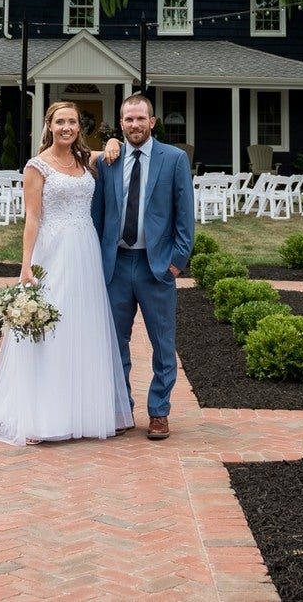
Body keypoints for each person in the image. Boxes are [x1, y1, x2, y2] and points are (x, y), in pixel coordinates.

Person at [0, 102, 133, 445]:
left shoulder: (84, 160)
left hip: (85, 251)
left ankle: (82, 413)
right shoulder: (37, 166)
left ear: (79, 127)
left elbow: (109, 152)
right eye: (60, 121)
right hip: (53, 251)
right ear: (49, 125)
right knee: (50, 329)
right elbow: (32, 217)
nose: (66, 127)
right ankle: (41, 417)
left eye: (72, 122)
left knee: (83, 326)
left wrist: (116, 140)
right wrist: (25, 264)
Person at [93, 94, 196, 440]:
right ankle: (122, 410)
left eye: (141, 118)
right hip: (117, 265)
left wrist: (176, 265)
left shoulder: (174, 159)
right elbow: (98, 214)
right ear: (120, 124)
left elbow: (185, 217)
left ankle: (159, 412)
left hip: (157, 268)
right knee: (114, 344)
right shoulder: (108, 162)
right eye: (128, 119)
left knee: (163, 345)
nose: (134, 125)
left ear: (152, 122)